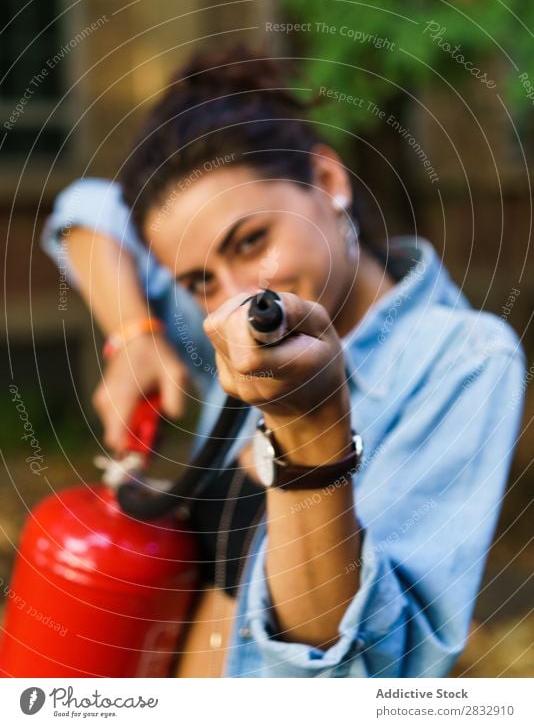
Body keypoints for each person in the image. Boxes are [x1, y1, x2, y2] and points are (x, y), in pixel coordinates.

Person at [42, 45, 525, 678]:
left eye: (251, 241)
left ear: (328, 181)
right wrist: (135, 333)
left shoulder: (462, 363)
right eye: (198, 280)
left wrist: (311, 441)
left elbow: (375, 670)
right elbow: (88, 210)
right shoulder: (215, 323)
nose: (236, 295)